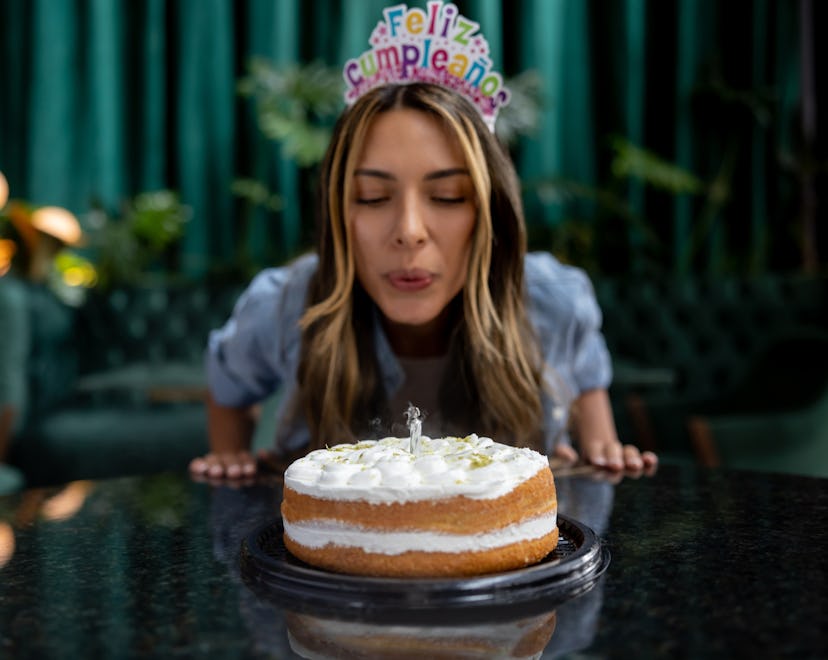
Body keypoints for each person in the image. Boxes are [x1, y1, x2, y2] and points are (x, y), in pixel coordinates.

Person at [189, 2, 657, 481]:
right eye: (372, 197)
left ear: (490, 211)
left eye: (447, 196)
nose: (409, 230)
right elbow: (227, 391)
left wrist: (604, 451)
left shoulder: (553, 302)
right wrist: (231, 460)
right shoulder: (284, 304)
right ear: (336, 212)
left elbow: (589, 393)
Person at [0, 195, 83, 487]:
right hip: (26, 405)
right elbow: (12, 367)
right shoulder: (13, 296)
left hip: (47, 397)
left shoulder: (48, 292)